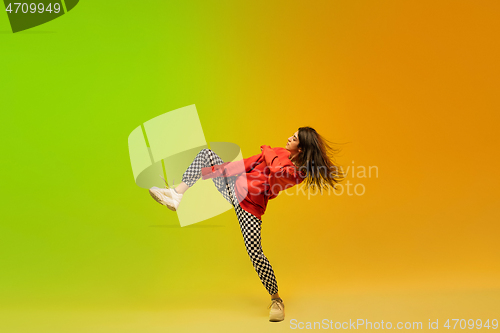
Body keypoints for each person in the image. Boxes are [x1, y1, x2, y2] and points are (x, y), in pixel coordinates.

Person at [149, 126, 345, 322]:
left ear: (300, 148)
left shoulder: (297, 173)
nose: (288, 138)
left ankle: (276, 299)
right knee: (206, 155)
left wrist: (267, 150)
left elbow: (278, 171)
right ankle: (177, 194)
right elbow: (246, 163)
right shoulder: (278, 152)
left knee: (255, 253)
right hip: (234, 185)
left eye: (293, 138)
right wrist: (213, 172)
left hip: (250, 205)